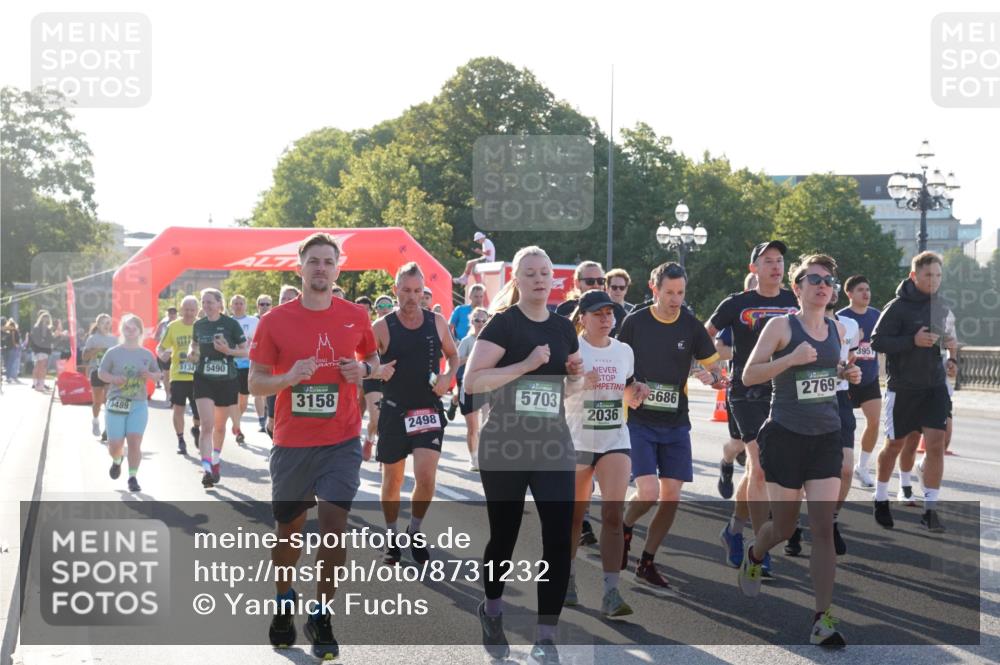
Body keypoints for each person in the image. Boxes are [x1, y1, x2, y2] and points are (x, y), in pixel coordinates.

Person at [249, 232, 379, 660]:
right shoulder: (274, 322)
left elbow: (373, 362)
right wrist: (288, 378)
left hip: (341, 439)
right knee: (289, 530)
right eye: (313, 261)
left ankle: (321, 614)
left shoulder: (355, 316)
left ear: (338, 268)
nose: (321, 267)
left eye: (328, 261)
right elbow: (255, 382)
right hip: (292, 442)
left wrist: (360, 369)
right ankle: (285, 603)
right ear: (300, 267)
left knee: (334, 525)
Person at [464, 245, 585, 665]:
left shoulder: (563, 328)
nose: (538, 278)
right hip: (504, 444)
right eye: (530, 272)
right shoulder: (503, 324)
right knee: (505, 536)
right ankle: (492, 608)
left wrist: (573, 378)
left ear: (554, 279)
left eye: (545, 272)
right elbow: (473, 382)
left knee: (557, 538)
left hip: (551, 444)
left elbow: (565, 394)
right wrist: (527, 364)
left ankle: (545, 636)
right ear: (516, 279)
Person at [737, 254, 858, 647]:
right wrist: (790, 358)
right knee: (784, 527)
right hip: (786, 436)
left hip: (826, 435)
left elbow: (826, 374)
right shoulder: (780, 326)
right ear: (798, 287)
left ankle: (823, 618)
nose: (823, 285)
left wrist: (845, 374)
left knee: (823, 527)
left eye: (828, 280)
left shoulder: (838, 329)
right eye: (814, 278)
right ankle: (755, 553)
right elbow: (749, 374)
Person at [617, 263, 726, 592]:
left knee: (671, 497)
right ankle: (623, 525)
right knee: (648, 492)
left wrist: (714, 376)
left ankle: (647, 561)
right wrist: (630, 387)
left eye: (681, 293)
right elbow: (618, 365)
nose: (676, 299)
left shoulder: (691, 327)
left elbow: (716, 367)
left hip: (676, 422)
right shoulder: (635, 322)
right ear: (654, 288)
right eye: (669, 293)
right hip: (639, 420)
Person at [709, 241, 798, 573]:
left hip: (786, 394)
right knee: (758, 468)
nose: (776, 266)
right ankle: (760, 547)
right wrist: (710, 367)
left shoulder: (795, 301)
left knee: (763, 472)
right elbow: (706, 336)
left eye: (780, 261)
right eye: (768, 261)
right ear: (754, 269)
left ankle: (733, 529)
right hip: (746, 392)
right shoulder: (738, 303)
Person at [372, 262, 459, 566]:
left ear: (424, 292)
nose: (411, 297)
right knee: (393, 479)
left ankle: (416, 530)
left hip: (427, 409)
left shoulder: (436, 321)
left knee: (425, 476)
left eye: (417, 291)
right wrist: (375, 375)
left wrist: (448, 377)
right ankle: (392, 535)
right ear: (396, 290)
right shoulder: (382, 327)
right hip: (394, 410)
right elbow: (367, 368)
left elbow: (453, 354)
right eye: (406, 291)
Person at [564, 289, 644, 618]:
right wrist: (578, 384)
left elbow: (627, 388)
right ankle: (566, 579)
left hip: (614, 438)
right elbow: (556, 390)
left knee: (613, 514)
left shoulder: (624, 351)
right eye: (597, 313)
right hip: (577, 440)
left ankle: (612, 592)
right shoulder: (572, 349)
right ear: (582, 318)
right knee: (573, 517)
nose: (605, 319)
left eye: (609, 313)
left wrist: (636, 392)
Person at [871, 251, 954, 533]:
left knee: (935, 446)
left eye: (939, 275)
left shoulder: (943, 307)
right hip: (903, 389)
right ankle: (881, 497)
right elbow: (877, 342)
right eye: (929, 275)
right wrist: (912, 340)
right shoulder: (897, 307)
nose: (934, 280)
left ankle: (930, 509)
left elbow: (950, 339)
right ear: (914, 276)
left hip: (934, 386)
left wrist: (952, 356)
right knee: (894, 445)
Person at [189, 288, 248, 488]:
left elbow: (245, 351)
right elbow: (194, 345)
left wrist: (227, 351)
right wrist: (192, 353)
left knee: (220, 427)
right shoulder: (199, 325)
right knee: (207, 425)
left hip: (226, 380)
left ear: (219, 304)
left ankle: (215, 460)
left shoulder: (231, 324)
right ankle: (206, 470)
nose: (206, 306)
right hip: (203, 378)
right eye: (203, 302)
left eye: (210, 302)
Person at [98, 314, 162, 492]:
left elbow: (159, 375)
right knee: (115, 446)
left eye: (134, 328)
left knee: (134, 442)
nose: (130, 331)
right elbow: (101, 373)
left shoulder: (147, 354)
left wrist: (149, 375)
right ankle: (117, 460)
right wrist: (114, 378)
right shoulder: (113, 352)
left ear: (140, 331)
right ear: (122, 330)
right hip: (117, 402)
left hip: (138, 404)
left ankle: (132, 477)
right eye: (127, 327)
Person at [837, 275, 882, 489]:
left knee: (874, 422)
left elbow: (884, 341)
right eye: (861, 290)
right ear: (850, 294)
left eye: (868, 289)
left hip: (870, 378)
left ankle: (862, 467)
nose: (866, 293)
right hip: (845, 378)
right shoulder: (841, 318)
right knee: (844, 427)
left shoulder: (876, 315)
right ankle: (839, 463)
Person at [717, 272, 759, 498]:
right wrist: (750, 353)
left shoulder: (782, 311)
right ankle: (726, 462)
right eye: (754, 285)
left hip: (774, 387)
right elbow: (717, 347)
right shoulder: (740, 311)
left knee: (761, 452)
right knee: (737, 443)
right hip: (741, 387)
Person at [157, 296, 201, 455]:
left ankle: (196, 429)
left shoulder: (202, 326)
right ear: (181, 310)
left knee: (199, 413)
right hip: (178, 375)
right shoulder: (173, 326)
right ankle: (181, 440)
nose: (189, 313)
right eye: (186, 309)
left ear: (197, 310)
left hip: (199, 376)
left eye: (192, 310)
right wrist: (162, 354)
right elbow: (160, 347)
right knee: (178, 408)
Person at [264, 285, 301, 438]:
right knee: (275, 429)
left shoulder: (307, 321)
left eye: (290, 298)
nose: (286, 301)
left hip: (304, 385)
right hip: (279, 382)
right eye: (282, 298)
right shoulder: (272, 321)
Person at [454, 306, 488, 471]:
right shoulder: (467, 341)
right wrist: (472, 357)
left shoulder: (491, 341)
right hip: (469, 387)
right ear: (471, 321)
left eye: (483, 320)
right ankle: (474, 458)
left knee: (488, 425)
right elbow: (456, 362)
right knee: (473, 427)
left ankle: (484, 456)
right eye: (477, 320)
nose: (480, 323)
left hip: (488, 386)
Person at [555, 261, 628, 337]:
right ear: (577, 283)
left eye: (600, 281)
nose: (596, 285)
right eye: (590, 281)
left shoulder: (618, 311)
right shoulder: (565, 310)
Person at [361, 295, 394, 460]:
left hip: (391, 378)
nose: (385, 308)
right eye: (381, 305)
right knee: (375, 417)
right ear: (376, 309)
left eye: (388, 304)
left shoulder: (399, 327)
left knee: (388, 419)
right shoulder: (370, 328)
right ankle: (369, 439)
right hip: (373, 376)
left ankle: (384, 450)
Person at [230, 294, 265, 441]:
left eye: (241, 303)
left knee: (243, 401)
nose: (238, 306)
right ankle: (238, 429)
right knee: (234, 398)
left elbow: (261, 340)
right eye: (235, 303)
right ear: (231, 306)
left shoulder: (253, 321)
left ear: (245, 305)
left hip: (248, 364)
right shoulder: (227, 322)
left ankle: (236, 421)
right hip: (231, 364)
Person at [83, 315, 118, 439]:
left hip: (110, 374)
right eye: (103, 323)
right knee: (97, 402)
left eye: (108, 322)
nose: (106, 325)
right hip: (96, 372)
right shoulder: (92, 339)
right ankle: (95, 421)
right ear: (98, 325)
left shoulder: (114, 340)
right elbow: (85, 357)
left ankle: (108, 429)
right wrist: (97, 350)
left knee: (109, 401)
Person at [29, 310, 55, 392]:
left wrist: (55, 336)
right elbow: (39, 339)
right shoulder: (38, 327)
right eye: (44, 318)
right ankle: (38, 384)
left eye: (47, 319)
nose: (45, 320)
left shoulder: (47, 328)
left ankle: (38, 383)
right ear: (41, 319)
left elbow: (50, 339)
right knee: (40, 367)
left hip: (44, 349)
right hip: (40, 349)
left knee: (40, 367)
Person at [154, 307, 177, 394]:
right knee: (166, 376)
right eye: (170, 313)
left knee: (175, 376)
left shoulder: (179, 323)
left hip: (176, 353)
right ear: (167, 314)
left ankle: (174, 395)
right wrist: (163, 341)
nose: (172, 315)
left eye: (174, 313)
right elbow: (156, 337)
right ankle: (168, 395)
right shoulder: (163, 324)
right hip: (165, 353)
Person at [2, 318, 22, 384]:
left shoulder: (7, 330)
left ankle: (8, 377)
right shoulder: (13, 329)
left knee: (8, 363)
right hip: (12, 348)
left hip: (8, 348)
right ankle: (8, 377)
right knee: (11, 363)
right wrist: (15, 345)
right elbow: (13, 338)